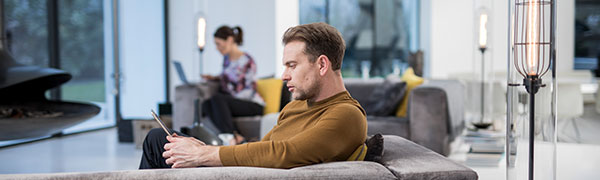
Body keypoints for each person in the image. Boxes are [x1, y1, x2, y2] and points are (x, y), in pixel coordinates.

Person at [139, 22, 367, 169]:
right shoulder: (295, 106)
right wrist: (202, 147)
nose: (284, 76)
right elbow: (264, 147)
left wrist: (203, 155)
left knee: (157, 142)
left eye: (292, 65)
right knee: (161, 139)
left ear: (322, 64)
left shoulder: (347, 114)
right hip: (246, 171)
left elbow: (285, 153)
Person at [201, 25, 264, 144]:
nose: (217, 48)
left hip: (251, 103)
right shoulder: (226, 59)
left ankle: (230, 137)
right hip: (231, 102)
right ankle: (236, 136)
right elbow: (228, 75)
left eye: (219, 44)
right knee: (206, 105)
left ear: (230, 40)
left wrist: (227, 99)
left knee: (218, 99)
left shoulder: (247, 60)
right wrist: (214, 78)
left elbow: (247, 89)